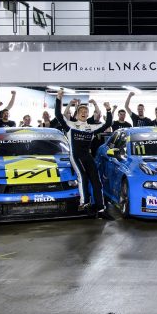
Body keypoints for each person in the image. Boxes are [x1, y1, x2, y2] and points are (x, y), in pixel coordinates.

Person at [54, 89, 112, 218]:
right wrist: (58, 98)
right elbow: (58, 115)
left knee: (96, 181)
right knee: (83, 177)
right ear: (76, 114)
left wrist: (108, 110)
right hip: (75, 156)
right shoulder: (70, 125)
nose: (84, 113)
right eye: (81, 111)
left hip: (88, 156)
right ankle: (84, 204)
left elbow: (108, 123)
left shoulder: (91, 127)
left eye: (86, 111)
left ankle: (101, 209)